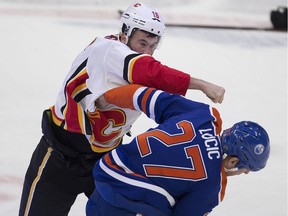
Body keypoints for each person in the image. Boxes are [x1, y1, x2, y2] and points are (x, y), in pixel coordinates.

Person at [19, 2, 225, 216]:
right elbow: (152, 72)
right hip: (60, 158)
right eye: (142, 43)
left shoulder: (135, 61)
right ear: (125, 34)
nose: (147, 52)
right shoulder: (109, 51)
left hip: (105, 162)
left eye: (152, 46)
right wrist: (201, 84)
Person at [86, 84, 270, 216]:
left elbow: (145, 95)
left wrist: (106, 97)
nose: (242, 174)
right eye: (245, 170)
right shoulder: (214, 185)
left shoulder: (206, 116)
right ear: (233, 161)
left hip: (108, 168)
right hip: (127, 200)